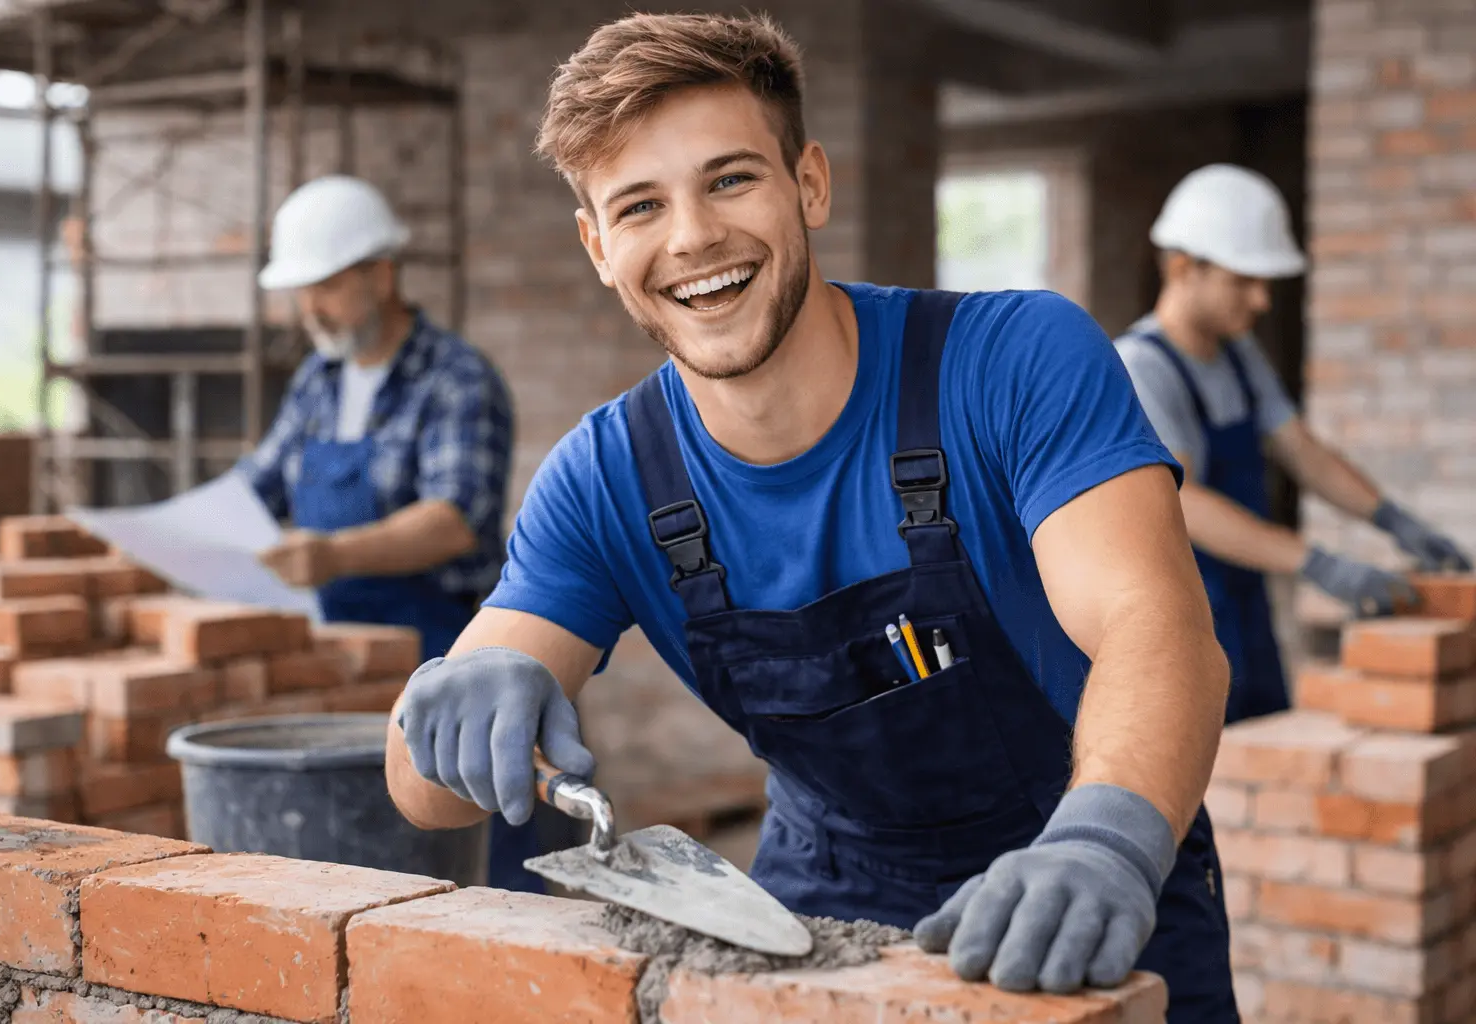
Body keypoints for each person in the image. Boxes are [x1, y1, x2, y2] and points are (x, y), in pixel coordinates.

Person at [386, 14, 1238, 1020]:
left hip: (1091, 881)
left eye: (730, 179)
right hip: (820, 908)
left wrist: (1107, 842)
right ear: (598, 247)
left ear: (811, 184)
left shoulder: (1012, 359)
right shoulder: (606, 479)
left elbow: (1155, 626)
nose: (692, 236)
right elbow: (422, 795)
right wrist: (457, 704)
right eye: (640, 206)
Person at [234, 173, 556, 893]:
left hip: (442, 651)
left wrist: (333, 553)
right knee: (363, 853)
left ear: (381, 275)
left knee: (474, 847)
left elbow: (454, 518)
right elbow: (258, 483)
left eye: (325, 286)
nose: (309, 308)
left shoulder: (456, 379)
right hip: (339, 657)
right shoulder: (317, 382)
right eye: (301, 291)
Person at [1114, 164, 1472, 724]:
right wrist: (1320, 564)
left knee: (1266, 739)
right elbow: (1183, 503)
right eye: (1244, 281)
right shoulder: (1140, 367)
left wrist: (1394, 520)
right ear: (1184, 267)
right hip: (1182, 609)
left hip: (1245, 600)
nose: (1262, 300)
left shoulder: (1238, 355)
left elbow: (1301, 451)